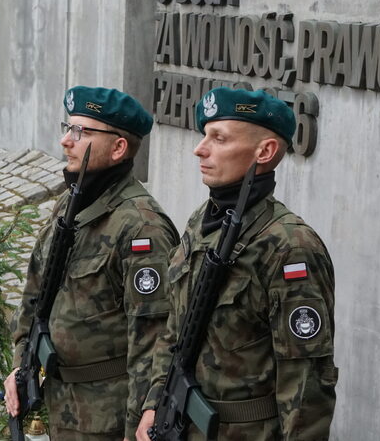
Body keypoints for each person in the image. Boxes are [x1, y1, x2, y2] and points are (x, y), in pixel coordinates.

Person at [135, 87, 338, 440]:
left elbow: (306, 383)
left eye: (219, 138)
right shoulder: (204, 221)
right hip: (180, 423)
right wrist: (154, 402)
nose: (200, 148)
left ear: (265, 151)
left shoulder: (289, 246)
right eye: (204, 135)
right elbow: (176, 327)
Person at [5, 85, 180, 441]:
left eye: (81, 132)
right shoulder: (71, 203)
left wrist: (138, 426)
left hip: (107, 417)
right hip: (58, 403)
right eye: (67, 128)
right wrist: (19, 366)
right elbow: (35, 295)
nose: (65, 141)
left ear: (118, 148)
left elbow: (155, 340)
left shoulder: (140, 226)